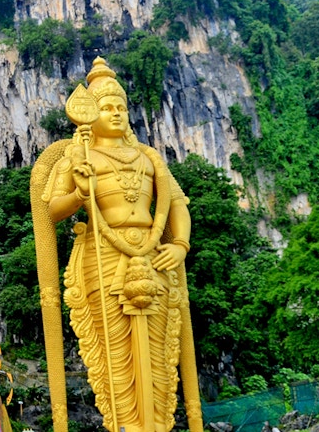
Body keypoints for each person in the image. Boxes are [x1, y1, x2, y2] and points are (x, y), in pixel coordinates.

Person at [33, 57, 201, 432]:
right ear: (89, 114)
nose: (116, 113)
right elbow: (53, 210)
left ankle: (158, 425)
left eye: (121, 107)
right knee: (115, 356)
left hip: (154, 253)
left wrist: (181, 246)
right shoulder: (78, 156)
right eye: (106, 107)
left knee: (160, 351)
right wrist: (78, 189)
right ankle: (126, 425)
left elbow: (176, 206)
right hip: (102, 254)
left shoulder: (149, 157)